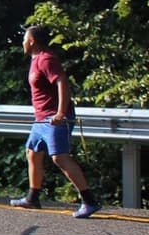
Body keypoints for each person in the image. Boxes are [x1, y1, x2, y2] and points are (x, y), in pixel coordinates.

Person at [9, 25, 102, 218]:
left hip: (55, 118)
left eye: (25, 39)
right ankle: (32, 198)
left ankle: (89, 201)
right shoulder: (35, 60)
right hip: (41, 119)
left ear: (32, 41)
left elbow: (63, 83)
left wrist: (60, 113)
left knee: (60, 158)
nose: (23, 42)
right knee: (32, 153)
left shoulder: (47, 59)